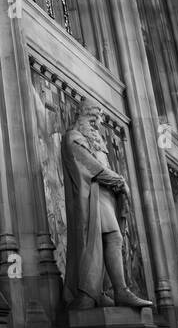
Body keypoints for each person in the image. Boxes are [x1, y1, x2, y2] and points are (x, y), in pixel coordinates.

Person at [59, 102, 152, 309]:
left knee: (107, 240)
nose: (97, 124)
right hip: (92, 197)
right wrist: (120, 181)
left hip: (103, 196)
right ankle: (117, 291)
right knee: (113, 237)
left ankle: (101, 291)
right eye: (93, 119)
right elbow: (93, 168)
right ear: (82, 116)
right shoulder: (73, 138)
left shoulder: (92, 140)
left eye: (97, 120)